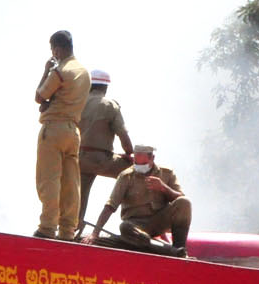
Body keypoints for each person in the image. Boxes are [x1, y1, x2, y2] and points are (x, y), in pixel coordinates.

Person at [32, 29, 90, 239]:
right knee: (71, 183)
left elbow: (39, 96)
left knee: (49, 180)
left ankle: (47, 227)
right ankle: (67, 230)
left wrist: (46, 70)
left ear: (57, 48)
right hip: (73, 131)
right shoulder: (83, 72)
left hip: (53, 129)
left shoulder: (60, 71)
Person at [84, 144, 192, 253]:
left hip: (160, 220)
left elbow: (180, 199)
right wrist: (95, 233)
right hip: (137, 225)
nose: (140, 167)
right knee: (125, 227)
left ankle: (180, 248)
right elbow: (110, 206)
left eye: (144, 164)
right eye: (136, 163)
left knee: (184, 202)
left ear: (152, 158)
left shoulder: (166, 173)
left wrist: (163, 187)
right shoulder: (126, 176)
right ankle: (172, 251)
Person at [78, 68, 133, 214]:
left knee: (78, 197)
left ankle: (71, 229)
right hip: (102, 159)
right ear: (105, 87)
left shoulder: (77, 103)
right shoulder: (110, 105)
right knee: (139, 174)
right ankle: (137, 218)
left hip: (78, 159)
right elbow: (123, 135)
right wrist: (129, 154)